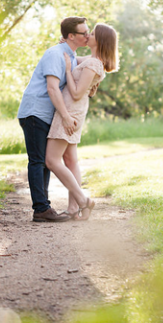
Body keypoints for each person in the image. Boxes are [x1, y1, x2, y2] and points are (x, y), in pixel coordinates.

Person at [17, 16, 90, 223]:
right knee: (38, 160)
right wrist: (66, 117)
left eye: (88, 32)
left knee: (47, 163)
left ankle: (44, 207)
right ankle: (41, 208)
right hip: (35, 112)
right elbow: (51, 88)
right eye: (84, 33)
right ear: (71, 36)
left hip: (47, 114)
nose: (87, 35)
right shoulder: (55, 54)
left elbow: (98, 59)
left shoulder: (70, 55)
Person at [45, 23, 119, 221]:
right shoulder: (92, 60)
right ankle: (74, 209)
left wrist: (69, 71)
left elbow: (77, 93)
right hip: (72, 110)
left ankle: (83, 201)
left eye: (92, 33)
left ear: (100, 40)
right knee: (70, 160)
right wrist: (66, 45)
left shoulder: (95, 64)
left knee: (51, 160)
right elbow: (71, 58)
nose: (88, 35)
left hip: (70, 111)